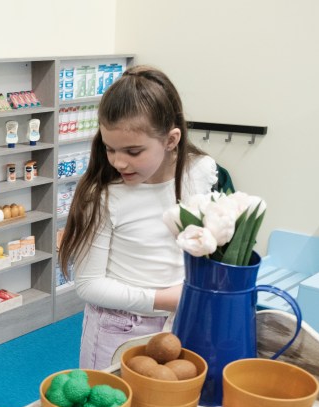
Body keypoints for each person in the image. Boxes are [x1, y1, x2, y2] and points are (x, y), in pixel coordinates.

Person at [57, 66, 218, 369]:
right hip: (118, 328)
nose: (119, 161)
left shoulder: (200, 171)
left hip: (179, 322)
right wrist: (167, 299)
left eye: (133, 151)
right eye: (110, 148)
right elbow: (89, 286)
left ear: (171, 140)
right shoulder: (103, 196)